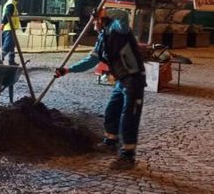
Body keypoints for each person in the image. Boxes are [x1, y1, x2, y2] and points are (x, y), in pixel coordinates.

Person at [54, 10, 146, 170]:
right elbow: (91, 60)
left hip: (134, 78)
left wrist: (104, 14)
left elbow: (123, 19)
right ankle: (110, 141)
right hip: (121, 80)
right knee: (111, 110)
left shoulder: (119, 30)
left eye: (95, 20)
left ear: (103, 20)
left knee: (129, 116)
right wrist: (68, 70)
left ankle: (127, 156)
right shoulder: (103, 38)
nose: (93, 24)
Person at [0, 0, 20, 66]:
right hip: (9, 27)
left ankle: (11, 60)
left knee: (12, 45)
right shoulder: (11, 4)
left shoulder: (10, 4)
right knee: (9, 44)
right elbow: (7, 15)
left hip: (10, 27)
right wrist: (3, 23)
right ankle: (1, 57)